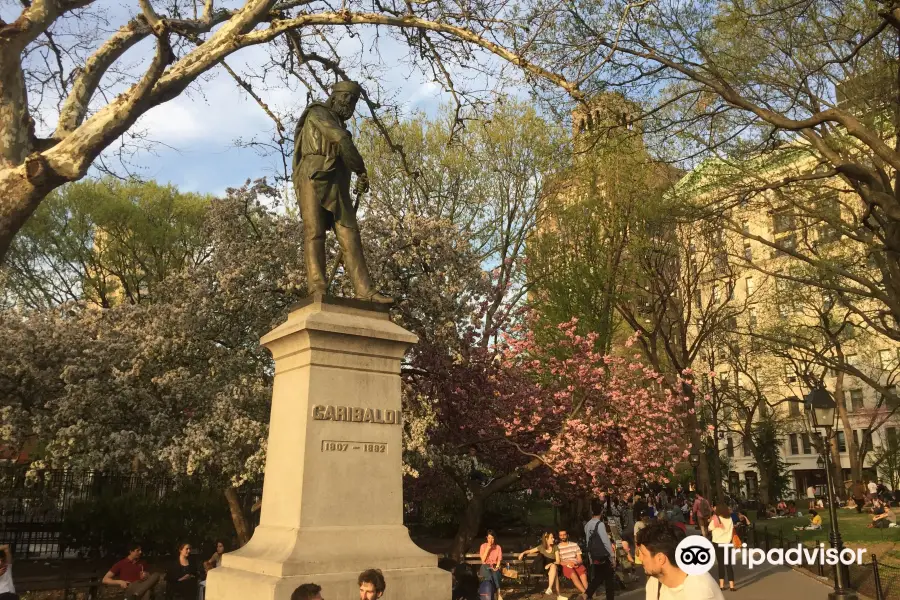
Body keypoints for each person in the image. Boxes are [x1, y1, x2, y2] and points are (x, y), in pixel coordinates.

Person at [291, 79, 391, 303]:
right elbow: (340, 139)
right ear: (334, 96)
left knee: (350, 233)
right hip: (313, 175)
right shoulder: (318, 113)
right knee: (314, 232)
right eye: (346, 97)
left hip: (338, 180)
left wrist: (355, 175)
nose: (350, 103)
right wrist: (361, 169)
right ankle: (317, 287)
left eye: (354, 100)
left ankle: (365, 290)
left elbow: (342, 149)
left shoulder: (338, 122)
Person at [637, 520, 725, 600]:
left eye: (643, 554)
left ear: (660, 559)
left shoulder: (699, 588)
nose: (639, 558)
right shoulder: (654, 584)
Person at [583, 499, 616, 600]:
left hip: (594, 555)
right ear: (601, 512)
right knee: (609, 580)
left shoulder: (587, 525)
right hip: (604, 555)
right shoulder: (600, 525)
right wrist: (612, 557)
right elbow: (606, 542)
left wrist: (590, 558)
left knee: (598, 577)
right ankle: (609, 598)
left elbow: (588, 541)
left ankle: (586, 594)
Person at [517, 532, 562, 598]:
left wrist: (550, 564)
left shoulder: (555, 547)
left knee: (554, 567)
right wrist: (522, 553)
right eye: (551, 538)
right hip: (543, 568)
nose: (553, 539)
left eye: (553, 537)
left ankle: (549, 588)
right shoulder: (541, 547)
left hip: (552, 566)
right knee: (541, 556)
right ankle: (558, 595)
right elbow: (530, 551)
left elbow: (558, 561)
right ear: (546, 539)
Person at [709, 504, 735, 592]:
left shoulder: (716, 518)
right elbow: (732, 529)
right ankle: (732, 586)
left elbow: (709, 528)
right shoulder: (730, 519)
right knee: (728, 564)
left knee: (721, 563)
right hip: (727, 542)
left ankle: (721, 585)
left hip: (717, 542)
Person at [557, 529, 589, 598]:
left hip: (576, 563)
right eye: (561, 535)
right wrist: (568, 563)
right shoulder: (558, 547)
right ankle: (586, 594)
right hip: (566, 565)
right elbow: (559, 561)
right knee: (573, 575)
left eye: (564, 535)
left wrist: (576, 563)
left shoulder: (574, 545)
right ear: (559, 536)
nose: (563, 537)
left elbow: (580, 559)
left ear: (567, 535)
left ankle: (587, 594)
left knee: (583, 577)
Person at [480, 530, 503, 600]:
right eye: (489, 538)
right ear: (486, 538)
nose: (490, 540)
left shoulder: (498, 547)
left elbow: (499, 560)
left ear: (494, 538)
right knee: (490, 576)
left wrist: (497, 566)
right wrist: (488, 548)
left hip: (494, 565)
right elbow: (483, 560)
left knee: (495, 573)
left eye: (492, 538)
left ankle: (498, 594)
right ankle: (491, 594)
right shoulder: (483, 546)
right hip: (485, 566)